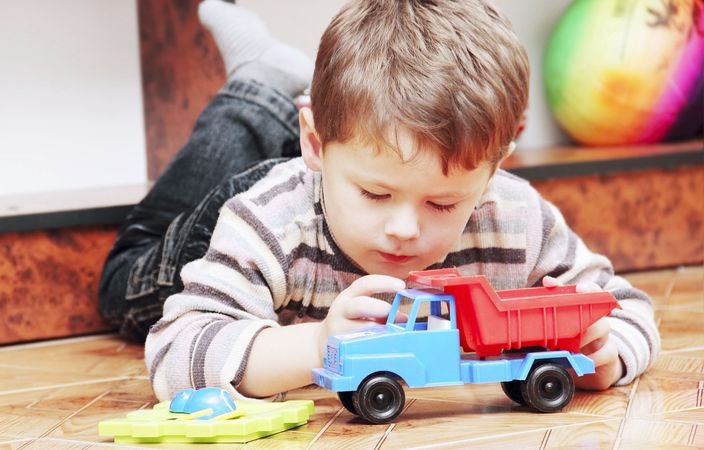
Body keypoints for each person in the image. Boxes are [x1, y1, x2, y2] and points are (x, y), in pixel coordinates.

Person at [100, 0, 659, 402]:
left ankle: (298, 99)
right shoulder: (265, 220)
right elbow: (176, 352)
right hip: (258, 208)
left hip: (336, 165)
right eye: (376, 194)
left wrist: (606, 355)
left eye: (442, 204)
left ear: (494, 168)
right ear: (315, 144)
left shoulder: (515, 215)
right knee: (124, 283)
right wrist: (316, 346)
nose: (403, 230)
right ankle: (257, 88)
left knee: (371, 155)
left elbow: (625, 306)